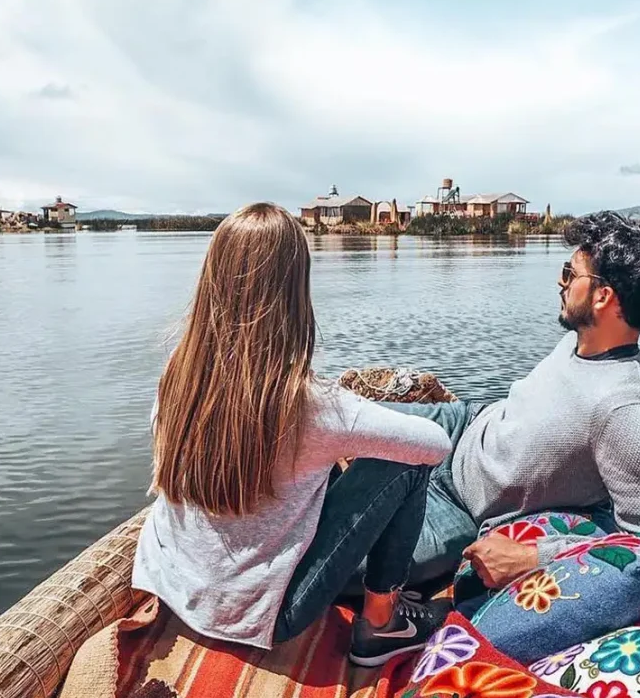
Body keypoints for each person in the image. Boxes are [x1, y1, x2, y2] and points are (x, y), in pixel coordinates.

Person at [131, 202, 454, 668]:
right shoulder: (314, 405)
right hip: (258, 615)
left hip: (172, 580)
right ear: (294, 291)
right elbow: (436, 445)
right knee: (402, 464)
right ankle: (381, 623)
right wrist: (354, 435)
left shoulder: (179, 375)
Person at [362, 211, 640, 592]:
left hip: (457, 507)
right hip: (463, 425)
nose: (560, 281)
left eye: (570, 274)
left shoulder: (625, 411)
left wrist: (535, 557)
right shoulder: (579, 341)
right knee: (323, 418)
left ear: (603, 296)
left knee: (330, 562)